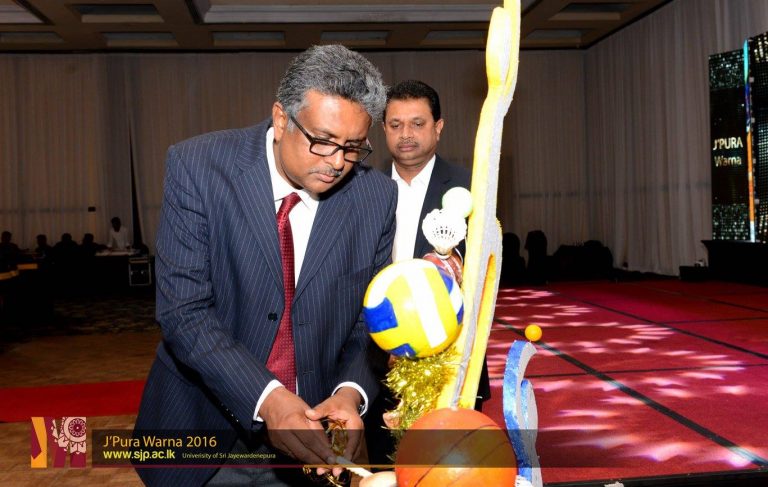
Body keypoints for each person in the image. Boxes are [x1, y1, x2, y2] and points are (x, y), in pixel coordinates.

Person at [133, 45, 396, 487]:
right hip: (205, 433)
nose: (337, 162)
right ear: (281, 118)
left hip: (312, 441)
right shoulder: (199, 168)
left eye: (353, 148)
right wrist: (269, 399)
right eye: (323, 140)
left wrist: (350, 394)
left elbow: (368, 325)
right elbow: (184, 312)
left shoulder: (375, 197)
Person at [364, 79, 490, 465]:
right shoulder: (361, 188)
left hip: (449, 358)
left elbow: (484, 269)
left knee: (452, 468)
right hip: (378, 359)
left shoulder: (472, 187)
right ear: (383, 129)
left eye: (417, 124)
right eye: (396, 124)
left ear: (438, 127)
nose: (406, 134)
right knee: (386, 467)